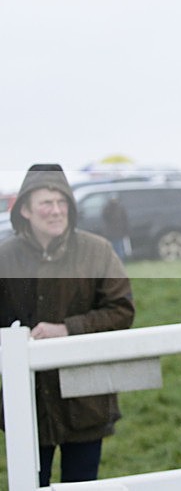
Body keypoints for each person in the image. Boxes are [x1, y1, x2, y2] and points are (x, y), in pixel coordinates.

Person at [0, 164, 135, 486]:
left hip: (86, 396)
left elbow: (121, 311)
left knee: (82, 483)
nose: (56, 211)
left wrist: (68, 329)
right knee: (31, 481)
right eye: (46, 203)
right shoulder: (5, 257)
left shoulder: (97, 251)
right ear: (26, 211)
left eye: (62, 202)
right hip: (28, 399)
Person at [101, 196, 130, 260]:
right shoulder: (108, 208)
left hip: (117, 233)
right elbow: (105, 217)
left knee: (118, 249)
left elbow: (125, 220)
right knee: (114, 249)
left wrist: (125, 231)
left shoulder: (120, 208)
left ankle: (118, 262)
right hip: (111, 234)